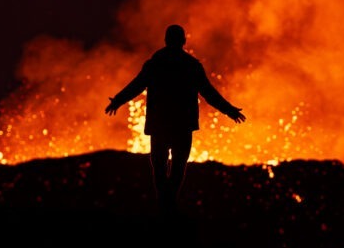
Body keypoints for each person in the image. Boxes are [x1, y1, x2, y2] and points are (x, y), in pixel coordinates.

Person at [105, 24, 245, 211]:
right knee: (179, 167)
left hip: (159, 125)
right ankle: (170, 202)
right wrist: (230, 111)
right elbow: (209, 93)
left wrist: (117, 101)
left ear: (166, 40)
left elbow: (136, 86)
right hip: (182, 126)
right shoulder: (192, 66)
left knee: (159, 168)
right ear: (183, 41)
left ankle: (164, 202)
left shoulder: (154, 64)